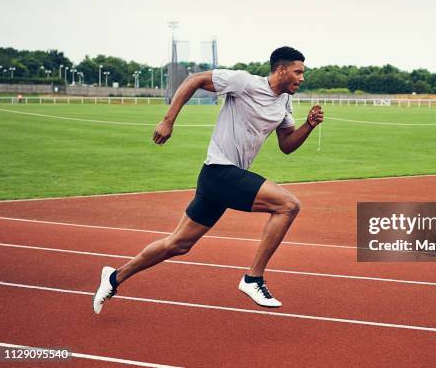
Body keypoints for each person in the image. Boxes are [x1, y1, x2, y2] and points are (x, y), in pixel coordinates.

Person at [93, 46, 323, 313]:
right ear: (281, 70)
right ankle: (253, 278)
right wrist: (168, 120)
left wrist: (309, 125)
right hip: (219, 171)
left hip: (221, 180)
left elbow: (286, 144)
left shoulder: (284, 101)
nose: (302, 78)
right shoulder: (244, 82)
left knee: (178, 244)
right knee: (288, 205)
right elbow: (195, 80)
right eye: (298, 72)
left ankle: (114, 276)